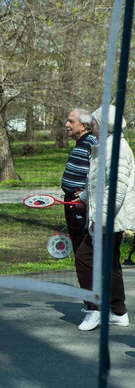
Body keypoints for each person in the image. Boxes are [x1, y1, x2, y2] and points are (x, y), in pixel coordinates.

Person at [74, 104, 134, 331]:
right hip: (109, 218)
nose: (92, 126)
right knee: (110, 265)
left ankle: (94, 311)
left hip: (108, 219)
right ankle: (118, 312)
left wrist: (101, 218)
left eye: (95, 123)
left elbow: (116, 189)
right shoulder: (109, 146)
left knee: (83, 259)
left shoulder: (116, 148)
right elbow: (101, 183)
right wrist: (84, 196)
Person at [62, 109, 97, 255]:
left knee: (84, 250)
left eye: (71, 121)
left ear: (83, 126)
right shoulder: (80, 142)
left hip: (81, 204)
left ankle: (90, 277)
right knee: (77, 247)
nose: (66, 124)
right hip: (71, 202)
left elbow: (98, 173)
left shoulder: (91, 142)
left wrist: (84, 195)